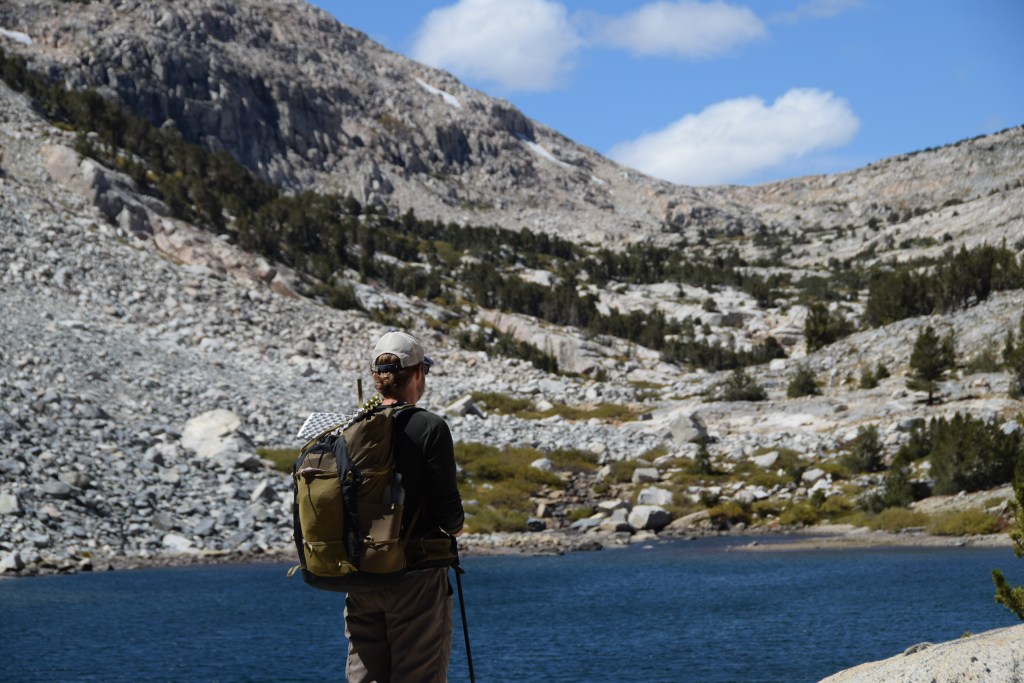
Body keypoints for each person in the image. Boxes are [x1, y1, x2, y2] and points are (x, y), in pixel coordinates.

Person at [344, 330, 465, 683]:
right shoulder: (430, 427)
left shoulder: (353, 427)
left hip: (361, 576)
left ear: (376, 379)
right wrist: (457, 526)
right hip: (416, 576)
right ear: (416, 374)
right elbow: (449, 514)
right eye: (424, 370)